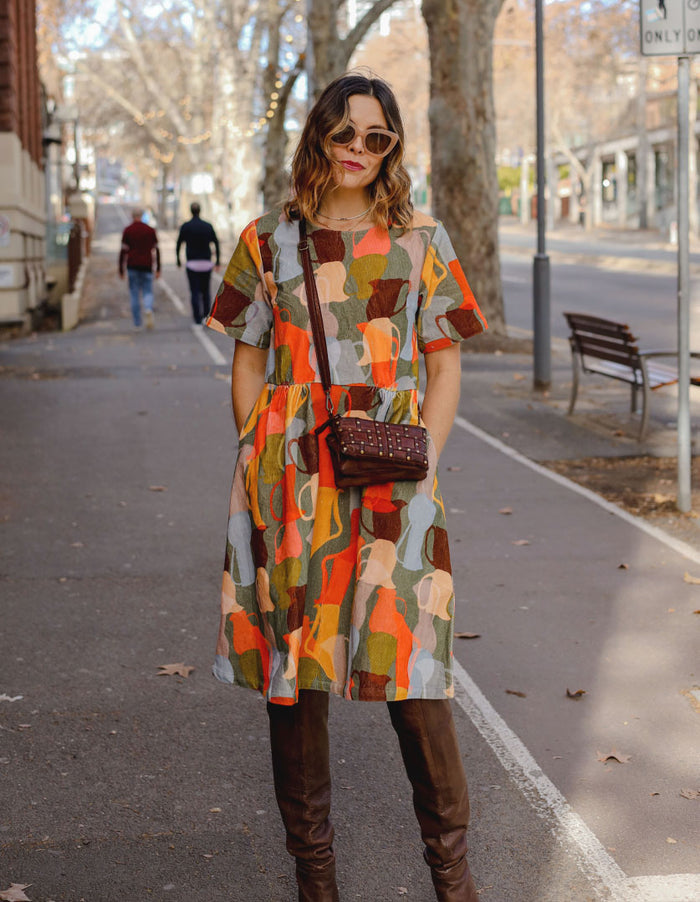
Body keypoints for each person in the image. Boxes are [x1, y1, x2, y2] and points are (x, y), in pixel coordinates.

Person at [206, 72, 487, 901]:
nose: (361, 151)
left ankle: (455, 882)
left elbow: (445, 360)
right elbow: (248, 352)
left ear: (392, 148)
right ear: (318, 137)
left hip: (394, 479)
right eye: (346, 135)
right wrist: (260, 454)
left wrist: (422, 463)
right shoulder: (266, 239)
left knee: (415, 672)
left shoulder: (422, 242)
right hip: (290, 486)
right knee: (295, 679)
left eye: (379, 138)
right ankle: (316, 883)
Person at [176, 202, 221, 324]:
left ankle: (197, 317)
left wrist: (178, 260)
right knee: (205, 291)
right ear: (200, 211)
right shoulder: (207, 226)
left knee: (194, 291)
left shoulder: (186, 226)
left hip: (192, 264)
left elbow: (179, 243)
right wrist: (217, 261)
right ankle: (206, 315)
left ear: (191, 211)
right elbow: (216, 243)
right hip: (206, 263)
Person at [118, 207, 160, 329]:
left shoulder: (128, 230)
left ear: (132, 216)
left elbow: (123, 251)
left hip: (132, 265)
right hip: (147, 265)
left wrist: (121, 269)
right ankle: (148, 308)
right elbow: (157, 250)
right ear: (142, 216)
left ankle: (137, 322)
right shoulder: (150, 230)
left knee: (134, 293)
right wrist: (158, 268)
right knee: (148, 291)